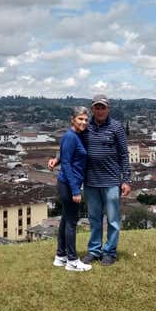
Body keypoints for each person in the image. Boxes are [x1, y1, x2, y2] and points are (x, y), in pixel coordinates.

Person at [49, 94, 131, 266]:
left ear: (108, 109)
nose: (100, 110)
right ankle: (94, 251)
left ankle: (109, 252)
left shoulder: (116, 128)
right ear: (92, 109)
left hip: (111, 181)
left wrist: (126, 180)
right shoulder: (86, 126)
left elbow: (124, 154)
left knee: (113, 220)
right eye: (97, 107)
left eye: (103, 107)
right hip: (90, 181)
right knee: (94, 219)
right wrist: (57, 158)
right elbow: (71, 143)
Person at [52, 106, 92, 272]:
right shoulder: (71, 137)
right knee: (71, 222)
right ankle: (72, 261)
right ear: (72, 120)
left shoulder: (76, 136)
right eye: (80, 119)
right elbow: (67, 164)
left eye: (85, 119)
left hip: (68, 183)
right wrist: (76, 190)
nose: (83, 122)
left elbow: (65, 156)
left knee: (65, 219)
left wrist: (56, 160)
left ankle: (60, 256)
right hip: (69, 184)